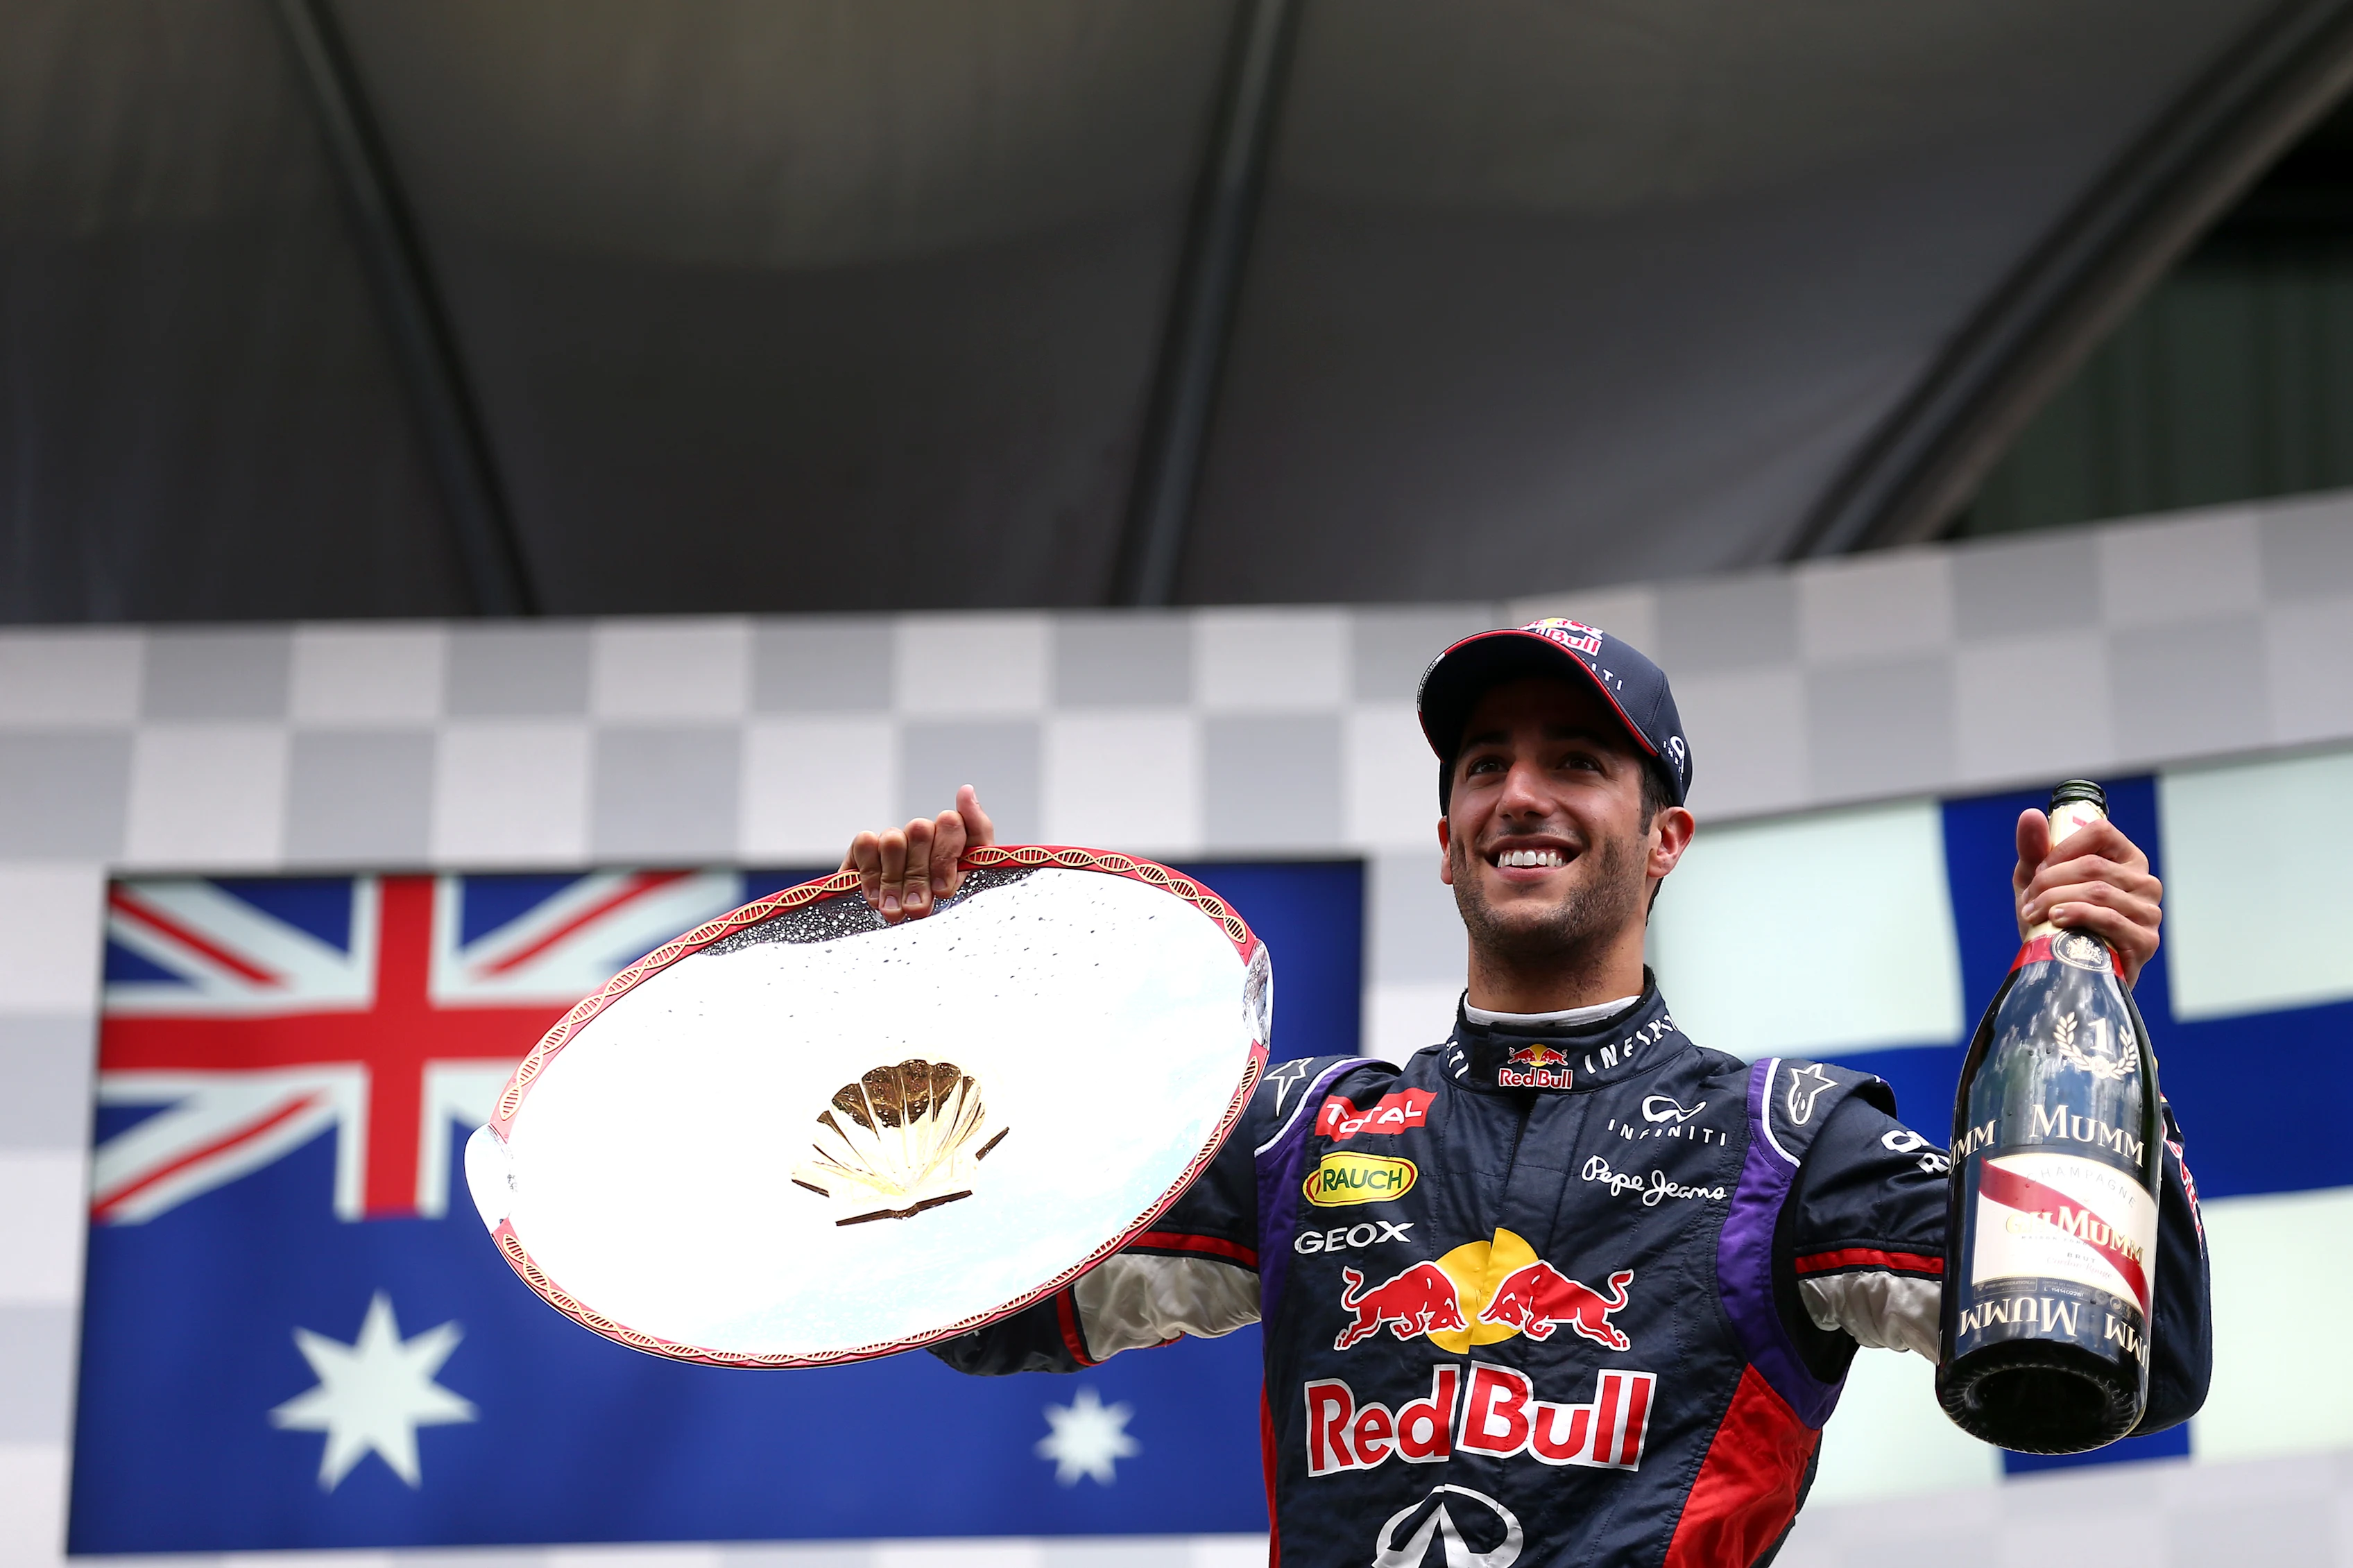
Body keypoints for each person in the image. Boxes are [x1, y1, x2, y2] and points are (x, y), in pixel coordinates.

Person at [841, 619, 2211, 1568]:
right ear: (1446, 841)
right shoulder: (1297, 1132)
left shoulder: (1787, 1142)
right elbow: (985, 1306)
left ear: (1665, 837)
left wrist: (2095, 1020)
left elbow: (2137, 1361)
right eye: (1485, 763)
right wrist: (923, 987)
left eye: (1576, 761)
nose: (1520, 792)